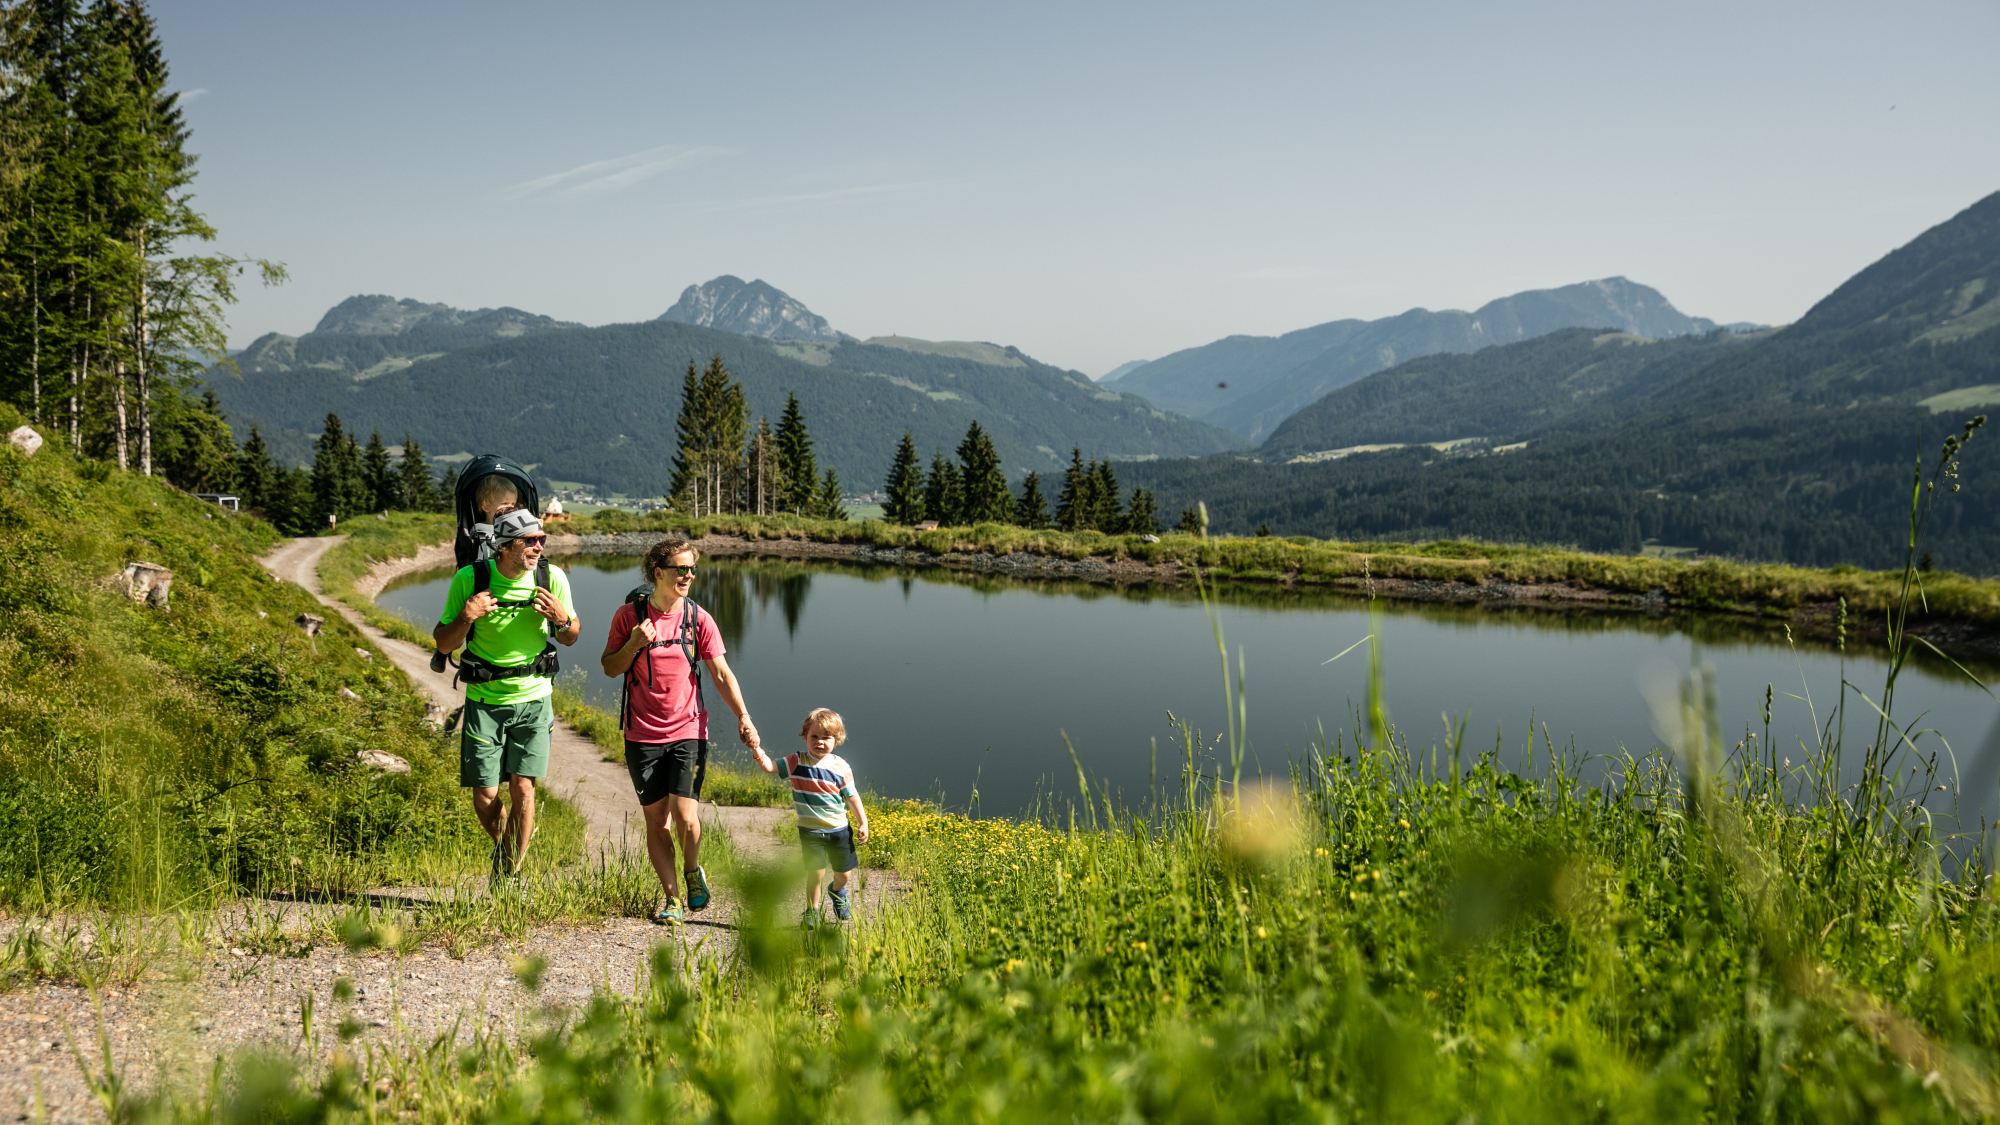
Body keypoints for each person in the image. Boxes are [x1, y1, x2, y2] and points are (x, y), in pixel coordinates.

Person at [601, 535, 760, 924]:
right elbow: (609, 666)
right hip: (641, 734)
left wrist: (743, 715)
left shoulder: (698, 618)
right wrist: (635, 643)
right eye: (680, 569)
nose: (688, 575)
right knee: (657, 821)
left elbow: (721, 672)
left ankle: (692, 870)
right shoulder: (629, 617)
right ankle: (671, 899)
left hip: (689, 729)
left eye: (692, 568)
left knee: (685, 815)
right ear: (659, 573)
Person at [433, 509, 580, 881]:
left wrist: (562, 619)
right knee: (484, 796)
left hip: (534, 698)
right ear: (504, 546)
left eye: (541, 540)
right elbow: (443, 642)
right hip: (485, 701)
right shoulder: (471, 578)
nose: (538, 547)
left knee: (523, 789)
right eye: (530, 541)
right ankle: (508, 848)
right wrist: (467, 617)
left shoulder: (551, 577)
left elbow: (571, 635)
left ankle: (510, 875)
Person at [750, 708, 869, 925]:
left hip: (839, 830)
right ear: (805, 736)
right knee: (815, 872)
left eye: (826, 738)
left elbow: (851, 796)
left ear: (837, 740)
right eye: (814, 736)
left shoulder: (841, 766)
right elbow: (770, 767)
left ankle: (836, 891)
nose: (820, 742)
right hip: (810, 831)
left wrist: (863, 822)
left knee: (844, 874)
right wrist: (757, 749)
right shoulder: (796, 761)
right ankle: (812, 911)